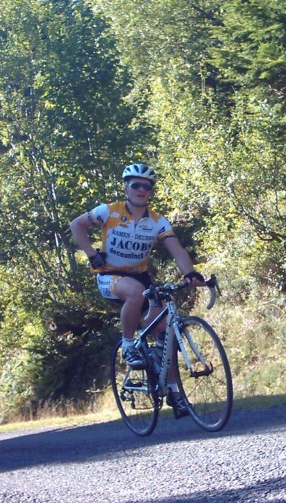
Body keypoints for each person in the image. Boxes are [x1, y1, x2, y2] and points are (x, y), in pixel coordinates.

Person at [70, 163, 205, 417]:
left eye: (147, 187)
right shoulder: (108, 212)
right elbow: (76, 225)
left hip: (141, 279)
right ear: (126, 187)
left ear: (151, 192)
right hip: (109, 276)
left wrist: (190, 273)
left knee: (166, 333)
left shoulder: (157, 222)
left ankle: (176, 395)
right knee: (134, 292)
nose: (141, 190)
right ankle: (128, 344)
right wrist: (91, 255)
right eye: (136, 185)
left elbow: (176, 249)